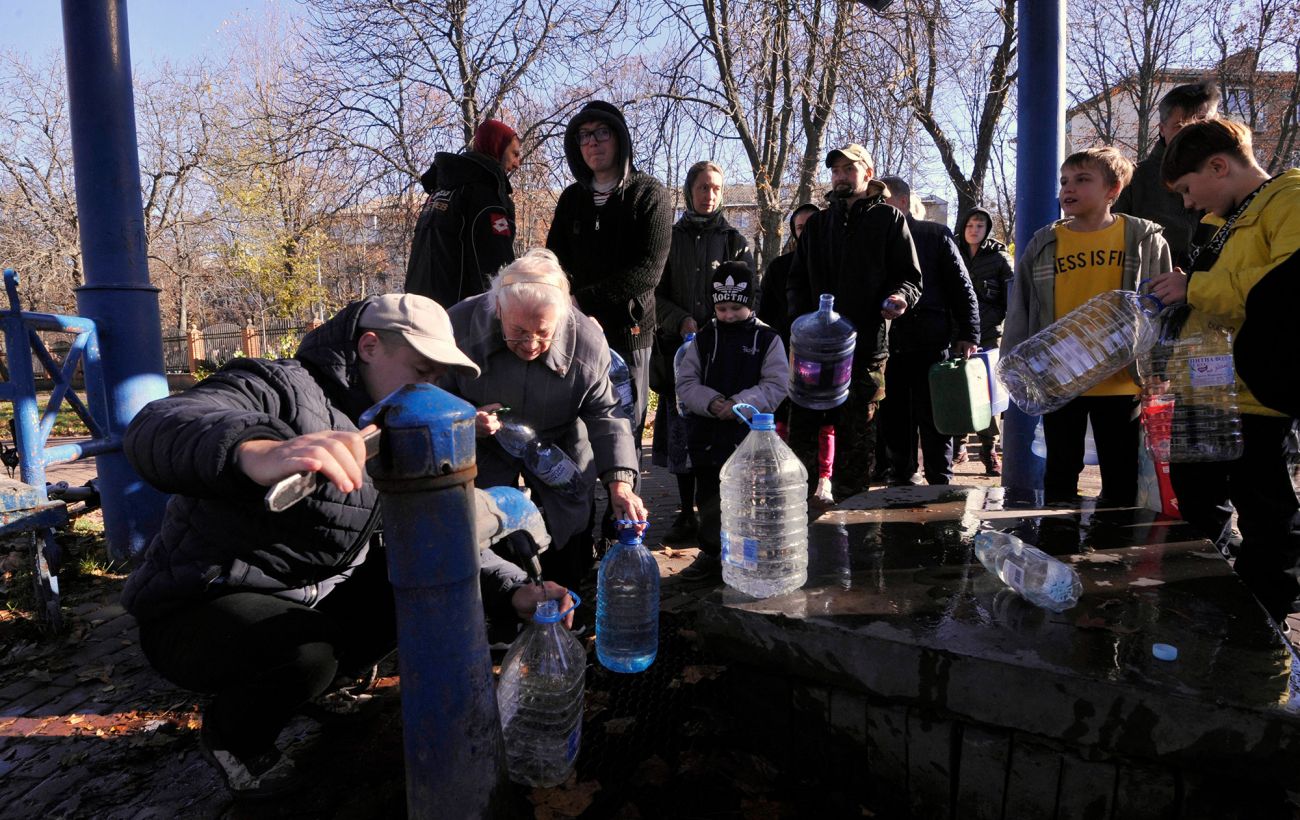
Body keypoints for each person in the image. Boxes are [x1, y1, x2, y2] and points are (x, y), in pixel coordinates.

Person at [122, 294, 568, 799]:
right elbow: (160, 423)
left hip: (311, 594)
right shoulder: (283, 386)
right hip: (200, 602)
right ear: (370, 346)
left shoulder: (394, 423)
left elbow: (425, 540)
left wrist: (513, 588)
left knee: (406, 594)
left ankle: (319, 687)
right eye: (421, 370)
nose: (431, 389)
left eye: (439, 376)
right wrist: (258, 449)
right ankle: (233, 738)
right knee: (307, 654)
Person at [1149, 118, 1300, 624]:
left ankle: (1264, 625)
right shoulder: (1219, 222)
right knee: (1195, 508)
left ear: (1219, 165)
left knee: (1265, 514)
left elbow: (1285, 290)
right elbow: (1203, 298)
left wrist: (1193, 288)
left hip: (1256, 397)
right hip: (1200, 389)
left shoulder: (1291, 199)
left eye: (1189, 190)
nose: (1189, 204)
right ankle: (1201, 607)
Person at [444, 249, 649, 591]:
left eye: (543, 332)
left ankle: (569, 598)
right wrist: (464, 418)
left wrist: (620, 482)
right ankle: (503, 609)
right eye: (518, 331)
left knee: (569, 532)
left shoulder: (587, 341)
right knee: (482, 527)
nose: (531, 344)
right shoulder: (458, 325)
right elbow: (429, 390)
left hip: (561, 441)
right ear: (498, 309)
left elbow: (606, 414)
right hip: (486, 443)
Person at [1002, 146, 1171, 506]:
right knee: (1060, 469)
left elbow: (1165, 309)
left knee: (1120, 472)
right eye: (1064, 181)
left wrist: (1161, 368)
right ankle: (1058, 546)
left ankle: (1114, 551)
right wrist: (1014, 364)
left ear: (1113, 188)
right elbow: (1021, 307)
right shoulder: (1044, 242)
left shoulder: (1142, 238)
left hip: (1122, 380)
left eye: (1082, 180)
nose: (1069, 188)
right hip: (1061, 379)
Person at [786, 143, 923, 502]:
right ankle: (802, 514)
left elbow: (911, 278)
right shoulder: (817, 225)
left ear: (867, 173)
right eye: (836, 171)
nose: (841, 176)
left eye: (849, 169)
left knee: (856, 442)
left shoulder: (889, 220)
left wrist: (900, 298)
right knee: (803, 437)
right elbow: (796, 282)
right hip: (814, 354)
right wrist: (802, 323)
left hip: (865, 350)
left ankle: (852, 519)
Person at [547, 101, 672, 450]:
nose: (592, 142)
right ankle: (582, 503)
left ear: (619, 139)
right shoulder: (572, 199)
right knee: (575, 431)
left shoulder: (649, 194)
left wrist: (583, 300)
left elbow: (648, 271)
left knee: (623, 429)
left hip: (628, 333)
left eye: (602, 132)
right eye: (584, 135)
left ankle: (624, 501)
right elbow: (554, 259)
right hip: (574, 331)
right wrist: (562, 301)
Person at [654, 161, 753, 545]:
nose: (709, 195)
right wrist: (680, 320)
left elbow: (750, 291)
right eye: (702, 187)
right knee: (683, 438)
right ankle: (685, 512)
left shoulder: (733, 239)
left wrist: (724, 322)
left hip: (724, 356)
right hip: (679, 355)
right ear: (688, 191)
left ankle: (718, 512)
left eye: (715, 188)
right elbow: (654, 295)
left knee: (719, 435)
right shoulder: (669, 238)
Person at [674, 261, 787, 583]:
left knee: (749, 500)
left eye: (735, 308)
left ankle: (747, 554)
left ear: (749, 303)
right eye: (721, 308)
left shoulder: (767, 339)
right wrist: (710, 402)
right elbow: (686, 382)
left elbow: (777, 384)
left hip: (748, 436)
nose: (728, 315)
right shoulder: (705, 338)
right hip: (707, 434)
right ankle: (711, 552)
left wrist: (740, 404)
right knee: (708, 498)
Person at [877, 176, 980, 487]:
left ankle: (939, 479)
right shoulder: (875, 239)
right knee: (895, 416)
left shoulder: (933, 234)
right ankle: (902, 475)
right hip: (889, 343)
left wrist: (969, 333)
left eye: (884, 201)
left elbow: (962, 286)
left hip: (930, 341)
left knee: (936, 416)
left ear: (903, 202)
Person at [759, 203, 837, 505]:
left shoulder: (832, 265)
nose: (805, 232)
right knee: (783, 419)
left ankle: (825, 478)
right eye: (800, 227)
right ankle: (784, 476)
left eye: (811, 226)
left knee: (824, 422)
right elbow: (765, 313)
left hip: (824, 359)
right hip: (785, 355)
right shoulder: (779, 267)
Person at [405, 119, 523, 306]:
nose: (517, 163)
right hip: (458, 320)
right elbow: (497, 268)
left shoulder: (439, 192)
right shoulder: (484, 195)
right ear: (497, 148)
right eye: (514, 154)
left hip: (418, 311)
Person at [1114, 82, 1220, 270]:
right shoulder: (1133, 180)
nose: (1192, 135)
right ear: (1162, 129)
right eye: (1181, 126)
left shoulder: (1230, 180)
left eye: (1203, 123)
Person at [957, 206, 1014, 475]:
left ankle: (989, 449)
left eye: (980, 226)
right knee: (956, 389)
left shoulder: (998, 257)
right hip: (957, 333)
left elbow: (1011, 294)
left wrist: (1001, 323)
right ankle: (957, 444)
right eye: (970, 225)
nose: (974, 230)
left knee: (986, 393)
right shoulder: (954, 250)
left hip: (990, 333)